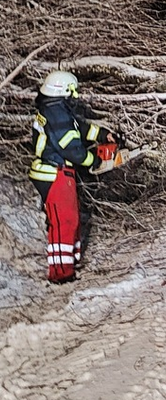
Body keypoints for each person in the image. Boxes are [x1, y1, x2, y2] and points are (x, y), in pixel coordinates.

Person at [28, 71, 117, 283]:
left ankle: (70, 261)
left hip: (58, 171)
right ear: (64, 91)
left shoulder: (56, 109)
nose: (74, 97)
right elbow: (71, 148)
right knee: (64, 222)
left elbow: (79, 128)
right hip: (53, 172)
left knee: (71, 219)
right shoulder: (56, 112)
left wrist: (103, 135)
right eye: (72, 92)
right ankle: (60, 273)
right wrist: (93, 160)